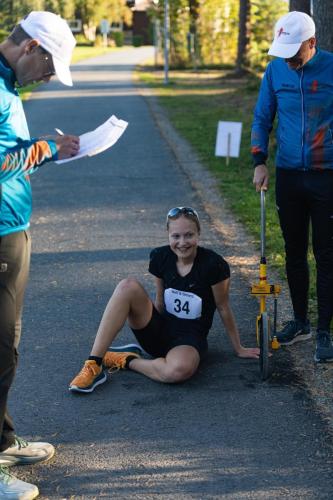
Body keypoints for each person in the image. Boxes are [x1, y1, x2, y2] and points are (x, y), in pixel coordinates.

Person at [0, 11, 80, 500]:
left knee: (7, 344)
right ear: (30, 47)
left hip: (12, 229)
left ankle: (3, 440)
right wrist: (45, 148)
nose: (49, 77)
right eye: (49, 67)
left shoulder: (9, 85)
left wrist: (41, 148)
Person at [69, 207, 259, 393]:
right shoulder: (161, 256)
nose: (182, 242)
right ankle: (94, 364)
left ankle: (126, 360)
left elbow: (223, 307)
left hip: (188, 340)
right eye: (176, 236)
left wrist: (238, 348)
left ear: (198, 234)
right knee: (128, 286)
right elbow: (159, 301)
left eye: (189, 235)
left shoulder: (214, 265)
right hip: (159, 332)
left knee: (177, 371)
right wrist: (151, 325)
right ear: (168, 235)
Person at [251, 11, 333, 363]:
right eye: (282, 51)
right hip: (287, 175)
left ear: (312, 43)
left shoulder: (331, 69)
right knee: (295, 252)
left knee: (326, 255)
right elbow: (261, 117)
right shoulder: (276, 70)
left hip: (326, 175)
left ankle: (325, 331)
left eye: (294, 52)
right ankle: (301, 321)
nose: (287, 58)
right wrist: (258, 161)